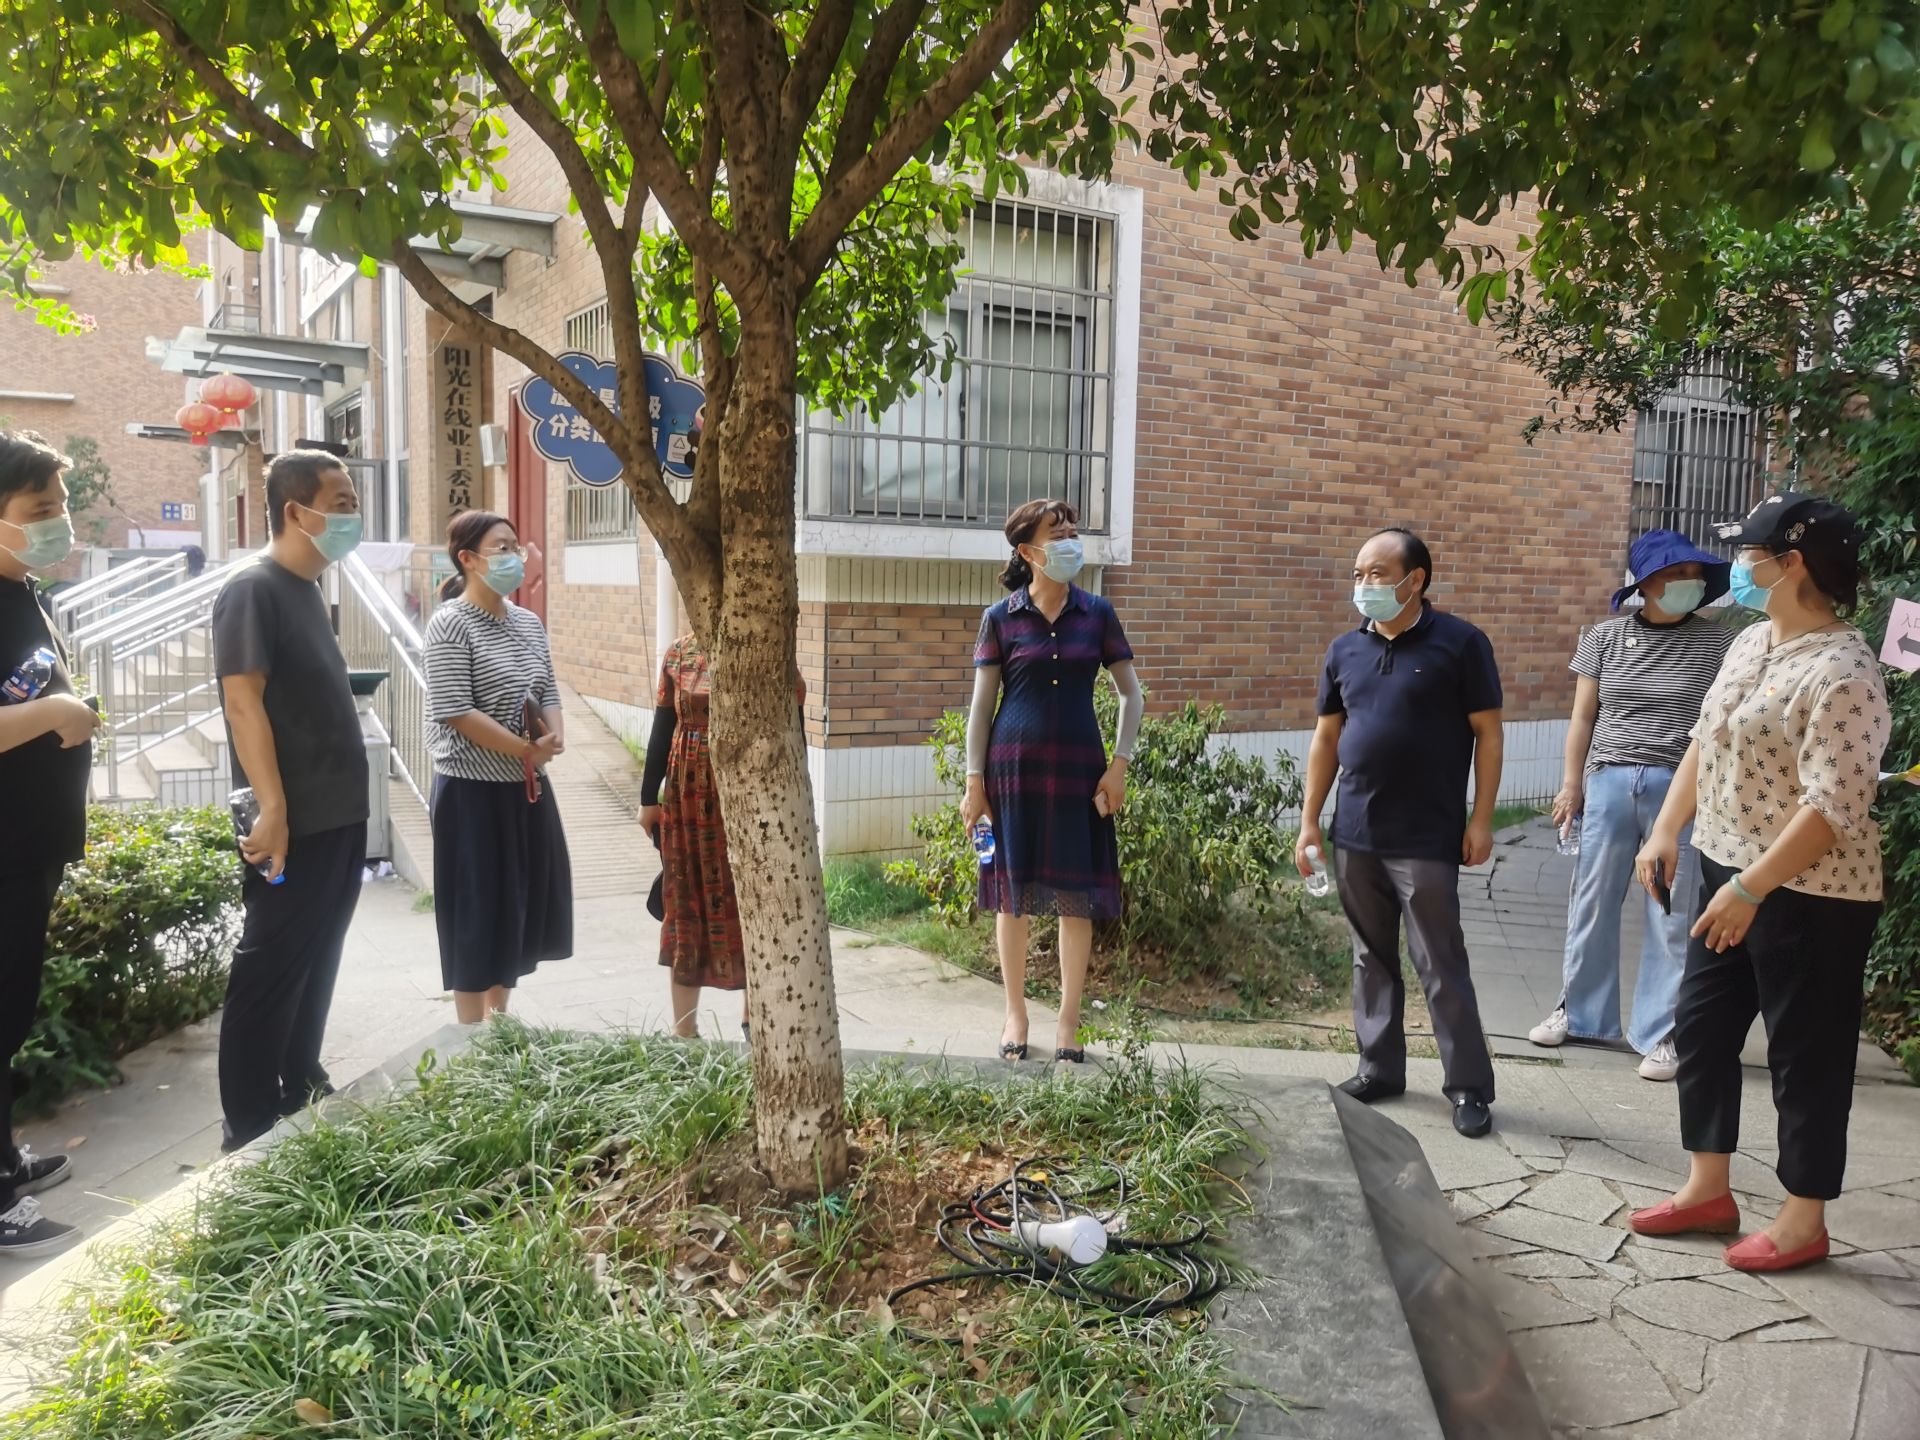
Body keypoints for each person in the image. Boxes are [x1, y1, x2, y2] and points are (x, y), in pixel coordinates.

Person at [1631, 495, 1888, 1274]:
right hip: (1721, 864)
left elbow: (1833, 807)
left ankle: (1804, 1218)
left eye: (1748, 552)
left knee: (1805, 1056)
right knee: (1702, 1028)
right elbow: (1705, 742)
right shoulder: (1748, 644)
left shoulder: (1846, 670)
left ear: (1791, 562)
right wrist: (1667, 829)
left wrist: (1751, 890)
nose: (1738, 565)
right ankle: (1708, 1187)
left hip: (1811, 894)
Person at [1298, 528, 1504, 1138]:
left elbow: (1488, 734)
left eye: (1378, 573)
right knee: (1370, 957)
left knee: (1440, 960)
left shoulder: (1461, 644)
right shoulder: (1344, 651)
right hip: (1355, 832)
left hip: (1427, 835)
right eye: (1358, 573)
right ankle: (1380, 1069)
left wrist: (1482, 818)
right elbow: (1326, 739)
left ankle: (1468, 1087)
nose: (1364, 585)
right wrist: (1310, 819)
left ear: (1415, 580)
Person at [1529, 531, 1734, 1082]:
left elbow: (1717, 729)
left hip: (1678, 789)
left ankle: (1662, 1031)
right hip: (1609, 781)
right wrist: (1571, 785)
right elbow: (1581, 719)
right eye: (1676, 574)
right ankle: (1579, 1011)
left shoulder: (1717, 644)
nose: (1690, 584)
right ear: (1645, 584)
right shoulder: (1603, 637)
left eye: (1695, 575)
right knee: (1592, 899)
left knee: (1669, 911)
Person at [210, 449, 369, 1152]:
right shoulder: (255, 589)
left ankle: (298, 1079)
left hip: (338, 815)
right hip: (292, 821)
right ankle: (247, 1124)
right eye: (339, 503)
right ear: (295, 512)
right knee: (270, 966)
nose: (351, 515)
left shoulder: (307, 589)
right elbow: (243, 702)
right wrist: (272, 809)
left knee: (321, 954)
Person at [961, 499, 1143, 1065]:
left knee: (1075, 899)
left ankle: (1069, 1022)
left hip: (1080, 774)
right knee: (1010, 898)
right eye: (1055, 532)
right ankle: (1015, 1013)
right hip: (1011, 776)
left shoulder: (1098, 613)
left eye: (1072, 531)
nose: (1069, 540)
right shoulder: (1000, 618)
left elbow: (1131, 694)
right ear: (1027, 550)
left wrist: (1120, 765)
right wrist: (974, 783)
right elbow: (980, 707)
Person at [0, 432, 100, 1256]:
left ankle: (4, 1162)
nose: (57, 523)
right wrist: (56, 715)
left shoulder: (23, 592)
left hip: (28, 846)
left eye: (61, 507)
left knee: (9, 1012)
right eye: (39, 511)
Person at [424, 511, 573, 1024]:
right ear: (468, 559)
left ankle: (500, 1020)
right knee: (475, 912)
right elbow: (455, 710)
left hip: (525, 787)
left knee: (516, 904)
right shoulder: (449, 624)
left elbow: (547, 687)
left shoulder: (528, 622)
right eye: (501, 547)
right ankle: (469, 1033)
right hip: (471, 793)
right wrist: (523, 749)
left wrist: (553, 734)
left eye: (516, 546)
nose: (514, 556)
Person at [638, 634, 804, 1039]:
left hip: (751, 796)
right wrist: (648, 799)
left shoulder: (765, 645)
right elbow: (664, 726)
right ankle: (683, 1032)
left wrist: (796, 802)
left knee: (754, 899)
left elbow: (793, 728)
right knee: (685, 900)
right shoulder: (679, 652)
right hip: (686, 798)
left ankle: (755, 1020)